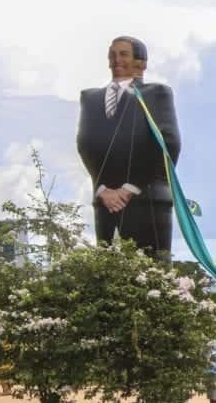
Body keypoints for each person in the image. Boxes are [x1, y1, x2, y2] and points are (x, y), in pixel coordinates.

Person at [77, 36, 181, 258]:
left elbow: (168, 145)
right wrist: (103, 190)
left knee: (151, 270)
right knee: (108, 269)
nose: (116, 60)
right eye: (112, 54)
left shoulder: (156, 93)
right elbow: (86, 144)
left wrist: (129, 189)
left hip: (147, 202)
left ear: (141, 62)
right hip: (105, 204)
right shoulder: (90, 98)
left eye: (123, 54)